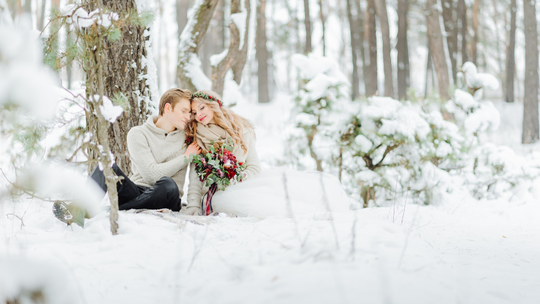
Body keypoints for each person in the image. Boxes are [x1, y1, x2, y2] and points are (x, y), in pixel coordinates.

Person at [182, 90, 350, 218]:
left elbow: (254, 167)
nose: (199, 115)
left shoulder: (241, 129)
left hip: (243, 183)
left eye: (201, 108)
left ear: (214, 104)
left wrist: (236, 178)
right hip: (214, 193)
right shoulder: (197, 138)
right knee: (248, 202)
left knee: (276, 188)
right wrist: (193, 206)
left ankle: (320, 210)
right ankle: (308, 214)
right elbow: (196, 177)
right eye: (194, 113)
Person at [54, 88, 202, 224]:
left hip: (167, 196)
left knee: (168, 184)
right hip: (137, 192)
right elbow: (151, 175)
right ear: (168, 108)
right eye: (184, 111)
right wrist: (185, 157)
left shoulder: (187, 138)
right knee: (106, 166)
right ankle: (78, 209)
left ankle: (101, 211)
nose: (188, 117)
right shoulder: (138, 133)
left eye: (189, 113)